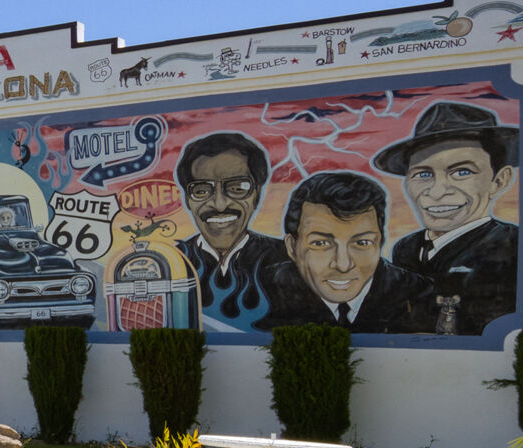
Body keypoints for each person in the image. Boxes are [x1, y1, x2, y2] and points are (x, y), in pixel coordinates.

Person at [372, 98, 521, 334]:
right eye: (422, 174)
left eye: (462, 172)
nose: (438, 191)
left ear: (499, 180)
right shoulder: (406, 248)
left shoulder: (513, 246)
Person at [259, 171, 435, 332]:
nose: (343, 265)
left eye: (362, 242)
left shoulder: (419, 294)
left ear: (379, 243)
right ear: (292, 247)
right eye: (320, 243)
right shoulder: (260, 291)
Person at [172, 132, 289, 327]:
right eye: (201, 190)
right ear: (188, 200)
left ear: (257, 195)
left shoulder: (287, 259)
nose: (219, 204)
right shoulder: (173, 263)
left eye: (237, 187)